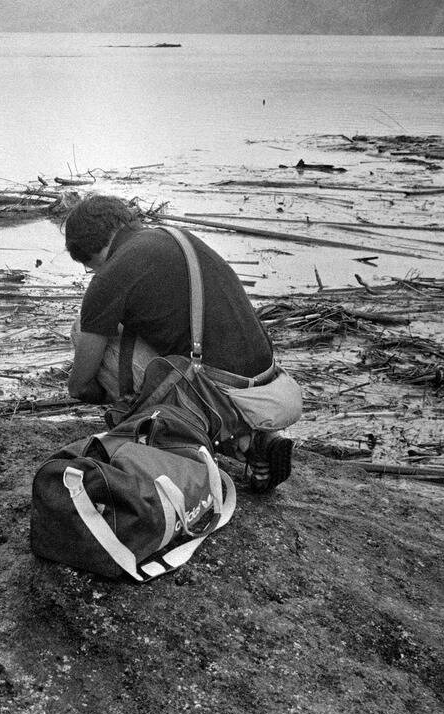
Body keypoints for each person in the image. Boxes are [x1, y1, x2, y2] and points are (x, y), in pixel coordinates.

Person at [63, 194, 295, 492]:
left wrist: (118, 401)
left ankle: (169, 426)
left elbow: (78, 386)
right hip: (268, 385)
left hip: (220, 390)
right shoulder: (175, 238)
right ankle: (253, 440)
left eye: (88, 266)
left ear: (89, 253)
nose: (92, 272)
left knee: (83, 330)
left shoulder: (109, 276)